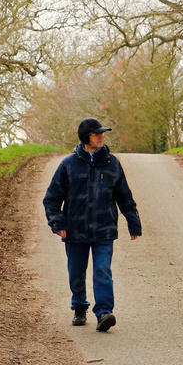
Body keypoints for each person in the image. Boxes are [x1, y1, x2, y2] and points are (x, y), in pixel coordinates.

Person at [43, 117, 142, 331]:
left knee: (102, 270)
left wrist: (133, 222)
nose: (101, 136)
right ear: (85, 138)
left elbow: (124, 195)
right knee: (76, 272)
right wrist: (58, 223)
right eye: (97, 134)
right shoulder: (68, 165)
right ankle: (79, 306)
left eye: (102, 133)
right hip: (74, 231)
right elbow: (51, 198)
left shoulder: (112, 163)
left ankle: (104, 312)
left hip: (104, 230)